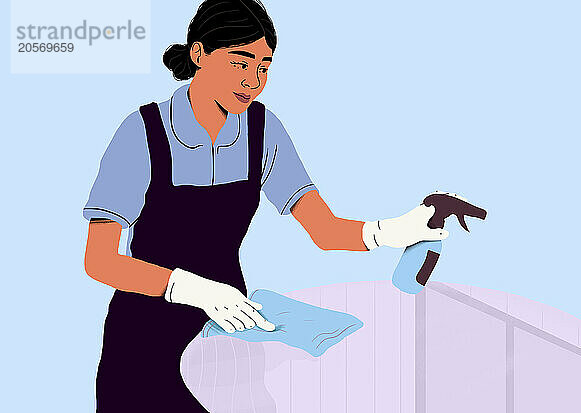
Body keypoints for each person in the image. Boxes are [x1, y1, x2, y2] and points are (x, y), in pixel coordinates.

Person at [83, 0, 456, 411]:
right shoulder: (142, 133)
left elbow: (325, 230)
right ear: (199, 54)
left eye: (263, 67)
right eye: (239, 62)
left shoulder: (263, 130)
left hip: (230, 330)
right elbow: (100, 261)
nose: (252, 80)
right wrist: (193, 288)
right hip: (143, 339)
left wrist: (397, 229)